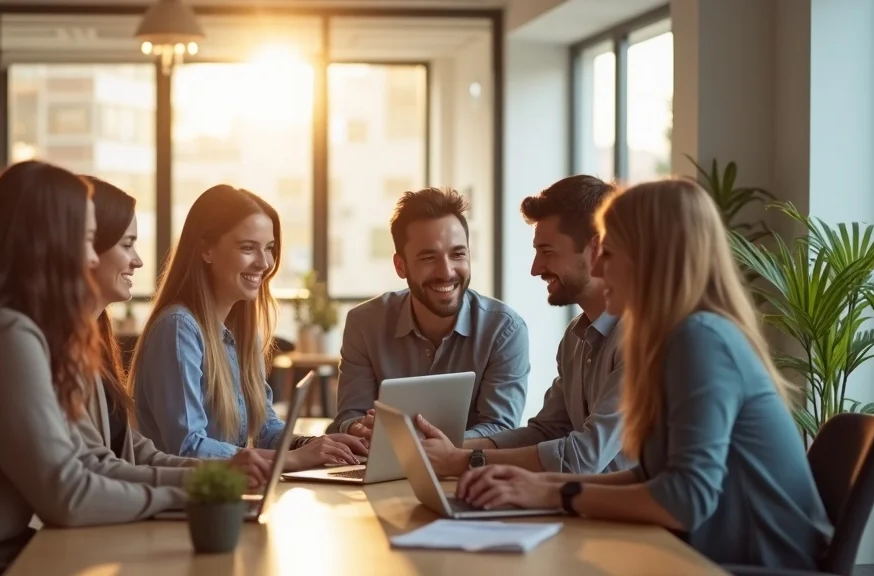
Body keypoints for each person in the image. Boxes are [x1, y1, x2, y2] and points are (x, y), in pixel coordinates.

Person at [456, 178, 833, 570]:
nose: (599, 266)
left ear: (651, 258)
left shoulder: (701, 339)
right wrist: (539, 485)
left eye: (610, 251)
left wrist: (557, 495)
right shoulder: (676, 338)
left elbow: (684, 500)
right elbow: (652, 476)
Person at [0, 161, 186, 570]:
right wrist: (186, 498)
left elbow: (86, 464)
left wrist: (199, 485)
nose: (93, 260)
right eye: (88, 240)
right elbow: (69, 496)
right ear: (49, 243)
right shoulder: (3, 336)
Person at [129, 184, 367, 468]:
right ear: (206, 250)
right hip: (186, 501)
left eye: (269, 249)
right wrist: (291, 460)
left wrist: (317, 445)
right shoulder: (178, 328)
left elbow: (265, 430)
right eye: (247, 248)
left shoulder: (241, 334)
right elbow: (186, 447)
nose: (265, 263)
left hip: (228, 493)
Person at [414, 176, 633, 476]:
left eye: (548, 251)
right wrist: (448, 446)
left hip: (638, 522)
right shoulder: (575, 338)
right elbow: (546, 431)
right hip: (585, 512)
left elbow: (583, 458)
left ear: (596, 248)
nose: (535, 268)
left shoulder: (640, 339)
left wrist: (463, 460)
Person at [80, 176, 270, 488]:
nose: (139, 260)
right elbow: (84, 482)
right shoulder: (179, 326)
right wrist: (188, 492)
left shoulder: (93, 344)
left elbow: (132, 455)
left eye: (269, 248)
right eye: (127, 244)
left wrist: (312, 448)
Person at [328, 187, 530, 440]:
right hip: (383, 470)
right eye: (428, 257)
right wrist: (359, 427)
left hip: (468, 474)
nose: (446, 272)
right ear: (400, 266)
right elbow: (349, 416)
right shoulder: (364, 323)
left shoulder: (504, 329)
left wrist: (428, 445)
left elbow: (501, 428)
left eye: (457, 254)